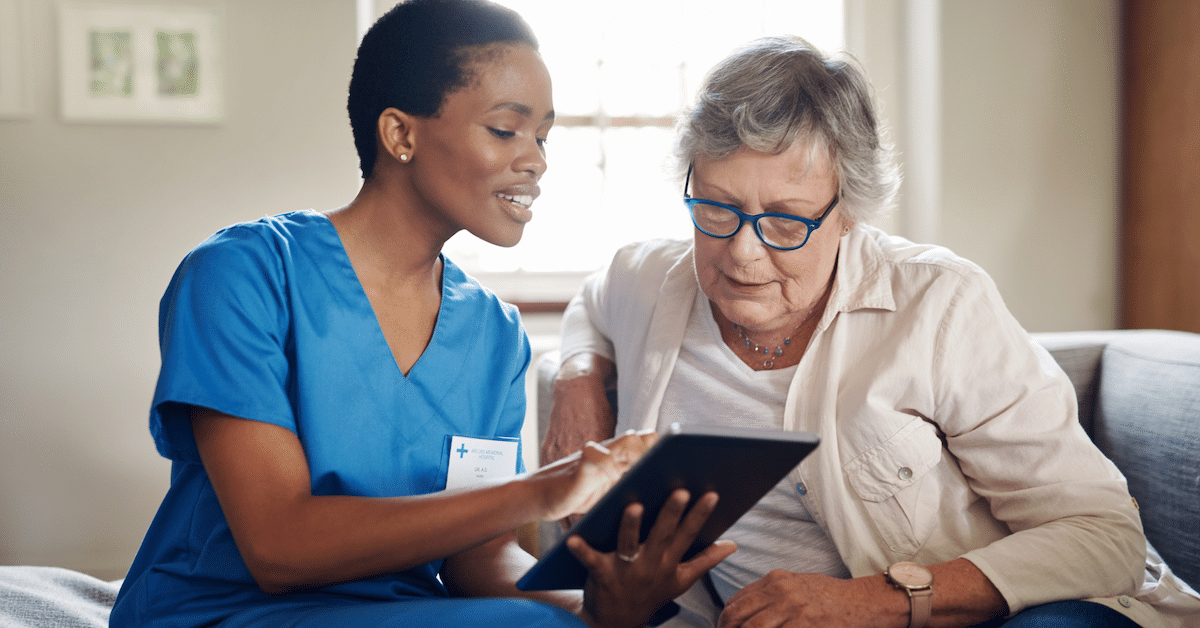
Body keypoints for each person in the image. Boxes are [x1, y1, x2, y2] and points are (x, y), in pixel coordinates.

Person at [108, 2, 735, 627]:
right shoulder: (242, 275)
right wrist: (546, 489)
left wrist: (599, 605)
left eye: (542, 136)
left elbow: (480, 563)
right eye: (506, 130)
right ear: (400, 134)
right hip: (222, 612)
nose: (537, 160)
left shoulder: (492, 333)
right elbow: (277, 547)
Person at [542, 35, 1200, 628]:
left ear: (848, 212)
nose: (742, 252)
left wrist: (873, 600)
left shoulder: (938, 303)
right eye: (716, 207)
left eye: (784, 221)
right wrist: (579, 376)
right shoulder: (647, 278)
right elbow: (594, 304)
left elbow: (1104, 536)